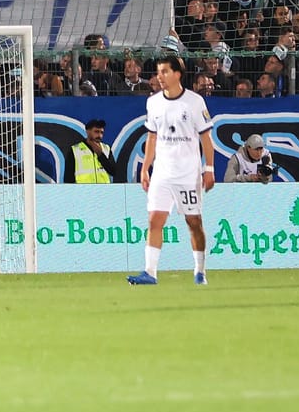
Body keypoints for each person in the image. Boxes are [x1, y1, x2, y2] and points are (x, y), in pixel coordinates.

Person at [129, 56, 215, 286]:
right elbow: (152, 137)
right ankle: (150, 272)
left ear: (177, 74)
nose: (160, 76)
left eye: (165, 71)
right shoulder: (153, 102)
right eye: (159, 72)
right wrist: (145, 168)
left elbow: (206, 138)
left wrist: (209, 168)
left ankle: (200, 270)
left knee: (193, 222)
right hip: (162, 173)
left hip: (188, 174)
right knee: (155, 219)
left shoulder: (195, 102)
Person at [73, 118, 117, 183]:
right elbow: (68, 179)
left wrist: (101, 155)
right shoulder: (75, 150)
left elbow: (114, 172)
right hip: (83, 191)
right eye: (96, 132)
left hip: (103, 191)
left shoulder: (106, 149)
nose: (99, 136)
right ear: (88, 132)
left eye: (101, 132)